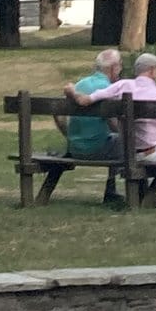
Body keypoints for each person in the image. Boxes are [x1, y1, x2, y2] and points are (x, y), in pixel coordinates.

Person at [70, 50, 156, 205]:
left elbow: (86, 100)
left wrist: (72, 92)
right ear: (151, 71)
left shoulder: (122, 86)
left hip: (128, 152)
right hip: (151, 153)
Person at [63, 47, 125, 204]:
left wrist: (68, 136)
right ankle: (127, 190)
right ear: (114, 68)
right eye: (120, 66)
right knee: (127, 142)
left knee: (116, 140)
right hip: (97, 149)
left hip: (74, 149)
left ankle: (112, 191)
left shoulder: (80, 84)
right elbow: (113, 124)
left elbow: (58, 115)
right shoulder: (110, 90)